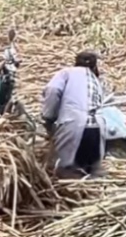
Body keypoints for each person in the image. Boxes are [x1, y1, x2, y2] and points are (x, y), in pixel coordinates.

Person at [42, 51, 108, 179]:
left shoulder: (67, 73)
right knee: (91, 171)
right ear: (95, 66)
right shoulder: (96, 80)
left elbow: (53, 90)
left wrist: (49, 117)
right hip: (97, 130)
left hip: (74, 126)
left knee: (65, 173)